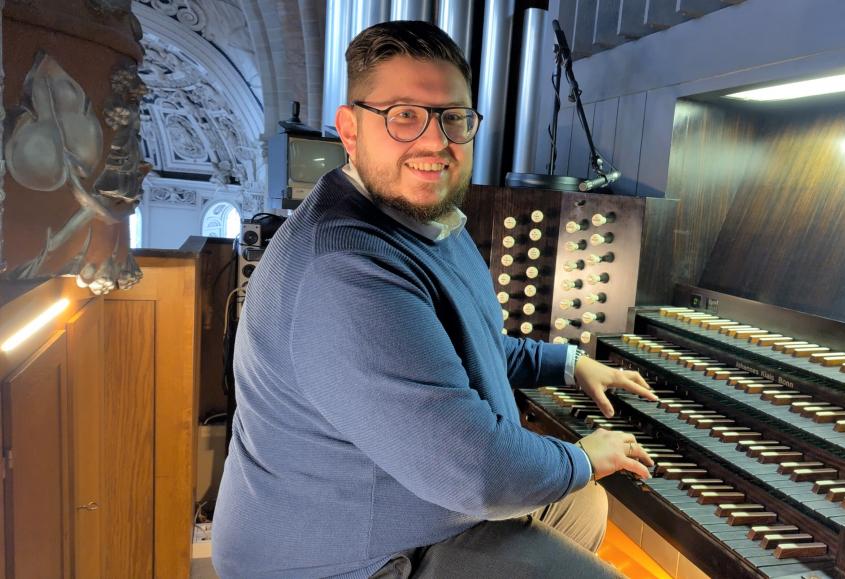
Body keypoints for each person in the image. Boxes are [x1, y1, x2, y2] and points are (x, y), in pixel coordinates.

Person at [213, 20, 658, 579]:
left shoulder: (422, 218)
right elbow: (478, 472)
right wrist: (583, 456)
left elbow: (462, 345)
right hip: (343, 556)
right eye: (403, 115)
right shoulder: (345, 267)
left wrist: (569, 363)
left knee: (581, 502)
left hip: (417, 497)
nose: (434, 141)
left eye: (453, 118)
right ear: (350, 130)